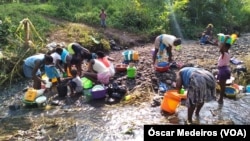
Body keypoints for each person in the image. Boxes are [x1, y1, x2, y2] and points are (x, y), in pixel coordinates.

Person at [217, 35, 231, 104]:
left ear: (226, 47)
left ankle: (221, 99)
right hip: (225, 70)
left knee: (222, 86)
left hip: (223, 70)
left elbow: (220, 49)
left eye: (223, 46)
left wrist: (225, 39)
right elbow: (222, 48)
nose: (221, 46)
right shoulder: (228, 53)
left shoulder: (224, 53)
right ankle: (221, 98)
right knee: (222, 85)